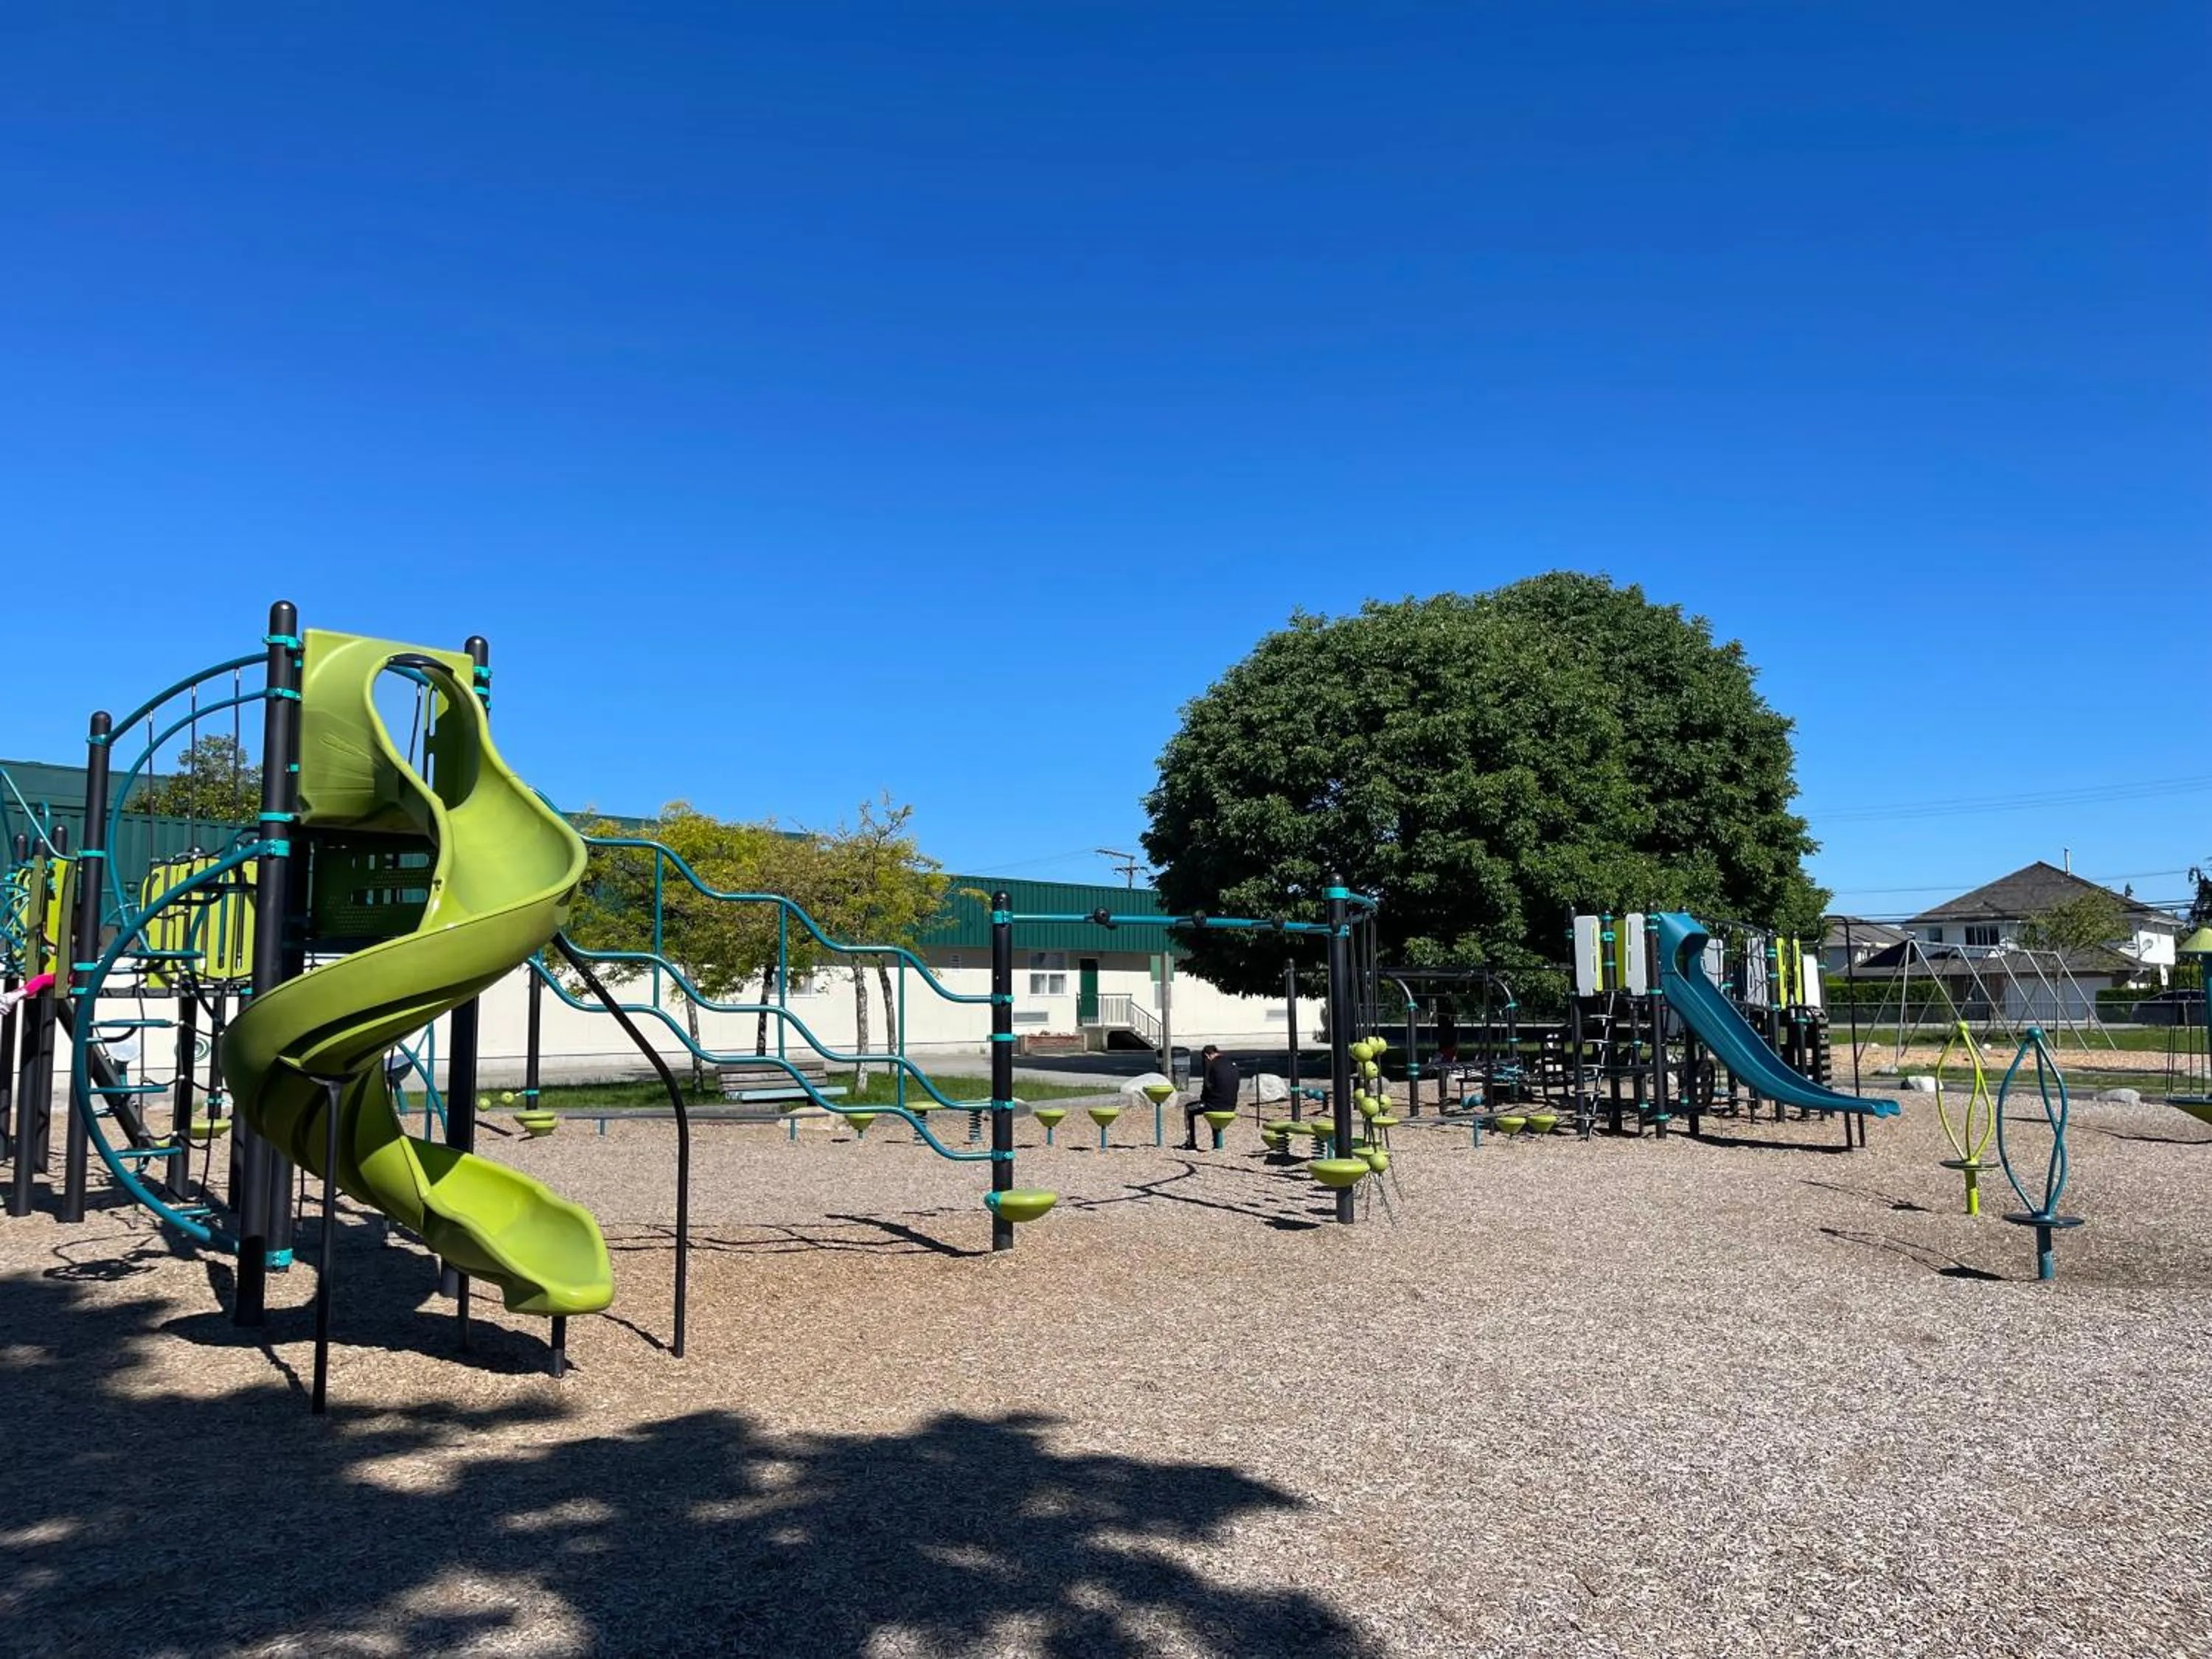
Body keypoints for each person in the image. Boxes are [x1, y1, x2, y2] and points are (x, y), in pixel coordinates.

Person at [1183, 1043, 1242, 1150]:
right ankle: (1216, 1144)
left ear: (1207, 1056)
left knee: (1188, 1109)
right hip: (1231, 1105)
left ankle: (1190, 1143)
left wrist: (1203, 1099)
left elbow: (1207, 1087)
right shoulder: (1231, 1064)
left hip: (1214, 1105)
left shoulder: (1211, 1065)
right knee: (1213, 1105)